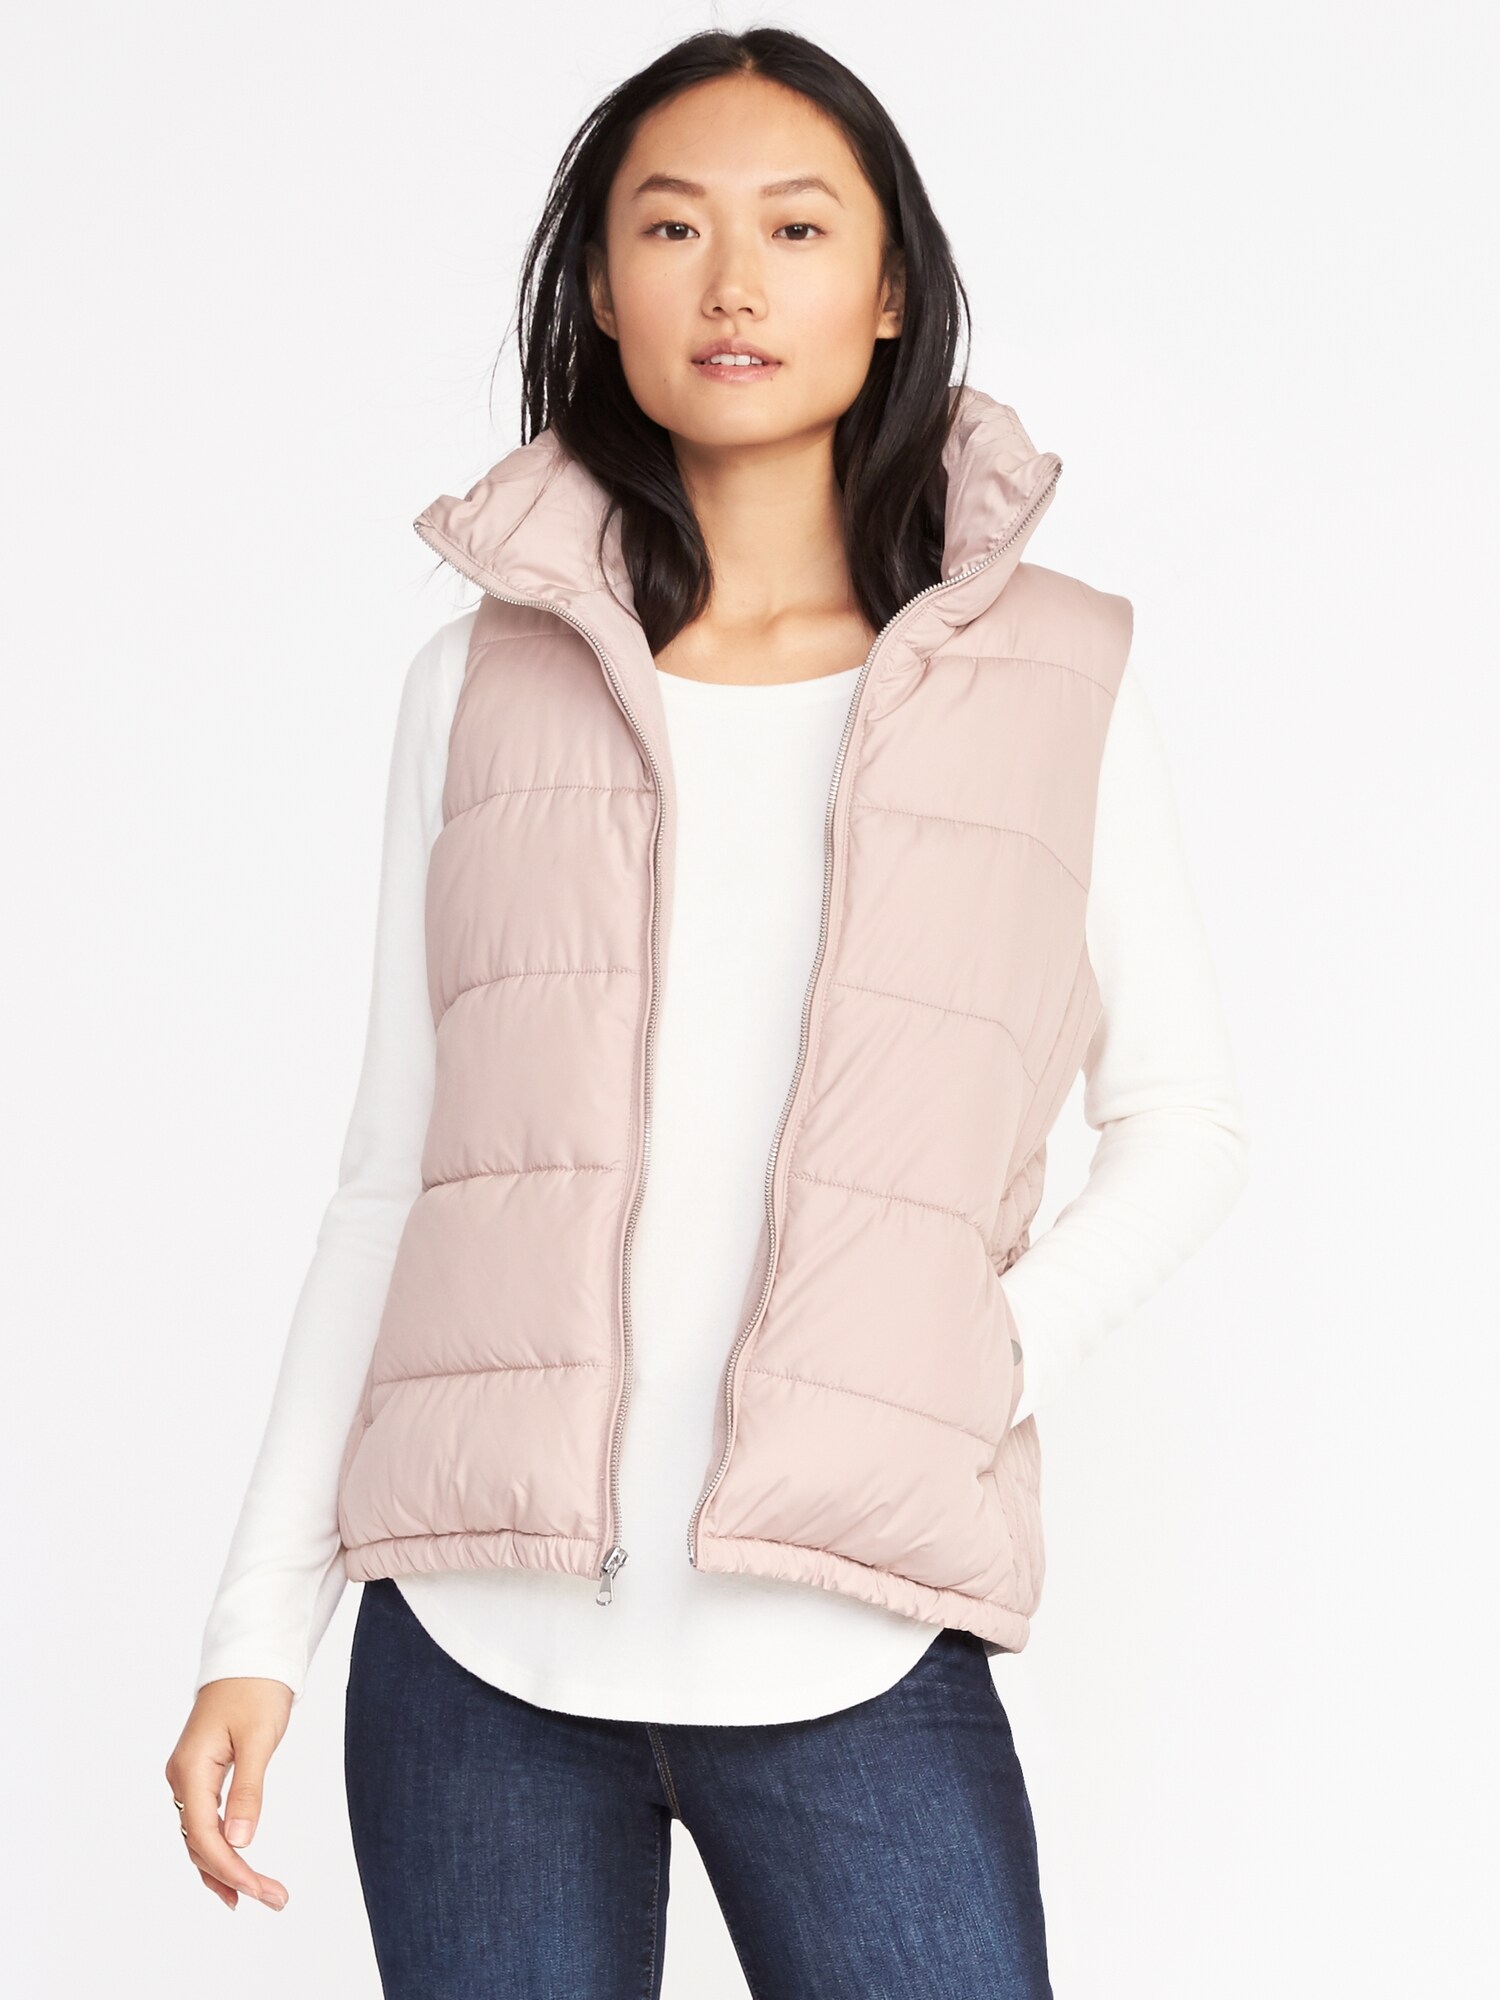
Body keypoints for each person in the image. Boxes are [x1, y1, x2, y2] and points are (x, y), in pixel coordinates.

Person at [165, 26, 1249, 1998]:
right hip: (473, 1659)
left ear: (890, 286)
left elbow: (1180, 1121)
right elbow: (392, 1181)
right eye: (672, 228)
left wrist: (982, 1350)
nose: (733, 282)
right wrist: (260, 1625)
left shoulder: (1057, 676)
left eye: (798, 228)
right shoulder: (473, 684)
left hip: (848, 1642)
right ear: (599, 287)